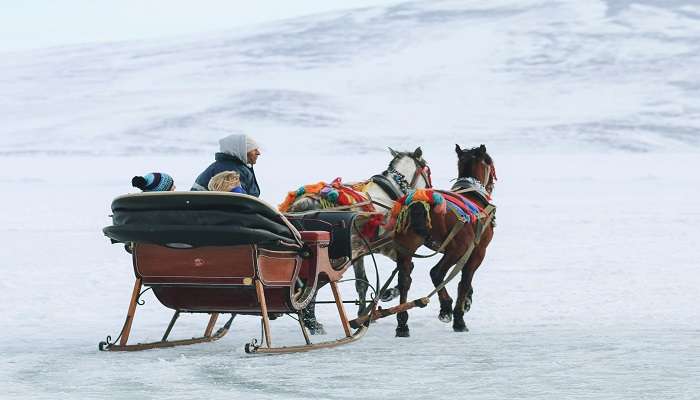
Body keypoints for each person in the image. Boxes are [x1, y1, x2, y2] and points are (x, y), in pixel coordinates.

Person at [191, 134, 261, 197]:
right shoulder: (229, 170)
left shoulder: (236, 168)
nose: (258, 153)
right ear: (242, 151)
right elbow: (237, 200)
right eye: (254, 150)